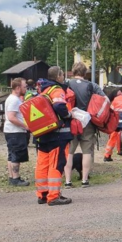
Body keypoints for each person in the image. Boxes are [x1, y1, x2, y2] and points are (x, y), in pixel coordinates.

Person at [64, 62, 107, 187]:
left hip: (71, 121)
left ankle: (68, 181)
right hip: (87, 121)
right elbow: (105, 100)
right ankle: (84, 180)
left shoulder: (66, 84)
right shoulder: (92, 85)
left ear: (73, 72)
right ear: (85, 73)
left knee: (69, 152)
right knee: (87, 151)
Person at [35, 66, 74, 206]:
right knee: (57, 164)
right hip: (57, 134)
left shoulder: (42, 90)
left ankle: (42, 194)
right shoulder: (56, 90)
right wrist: (68, 115)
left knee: (42, 164)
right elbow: (59, 106)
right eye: (62, 75)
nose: (63, 77)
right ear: (58, 76)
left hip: (43, 133)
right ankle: (53, 196)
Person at [4, 78, 30, 187]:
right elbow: (11, 117)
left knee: (11, 154)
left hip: (11, 131)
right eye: (24, 87)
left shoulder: (14, 99)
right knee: (16, 155)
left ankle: (12, 177)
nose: (26, 89)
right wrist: (25, 126)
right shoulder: (14, 100)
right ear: (18, 88)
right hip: (15, 132)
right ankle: (16, 178)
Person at [104, 85, 122, 161]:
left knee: (112, 138)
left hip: (116, 123)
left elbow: (111, 111)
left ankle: (107, 155)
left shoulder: (115, 99)